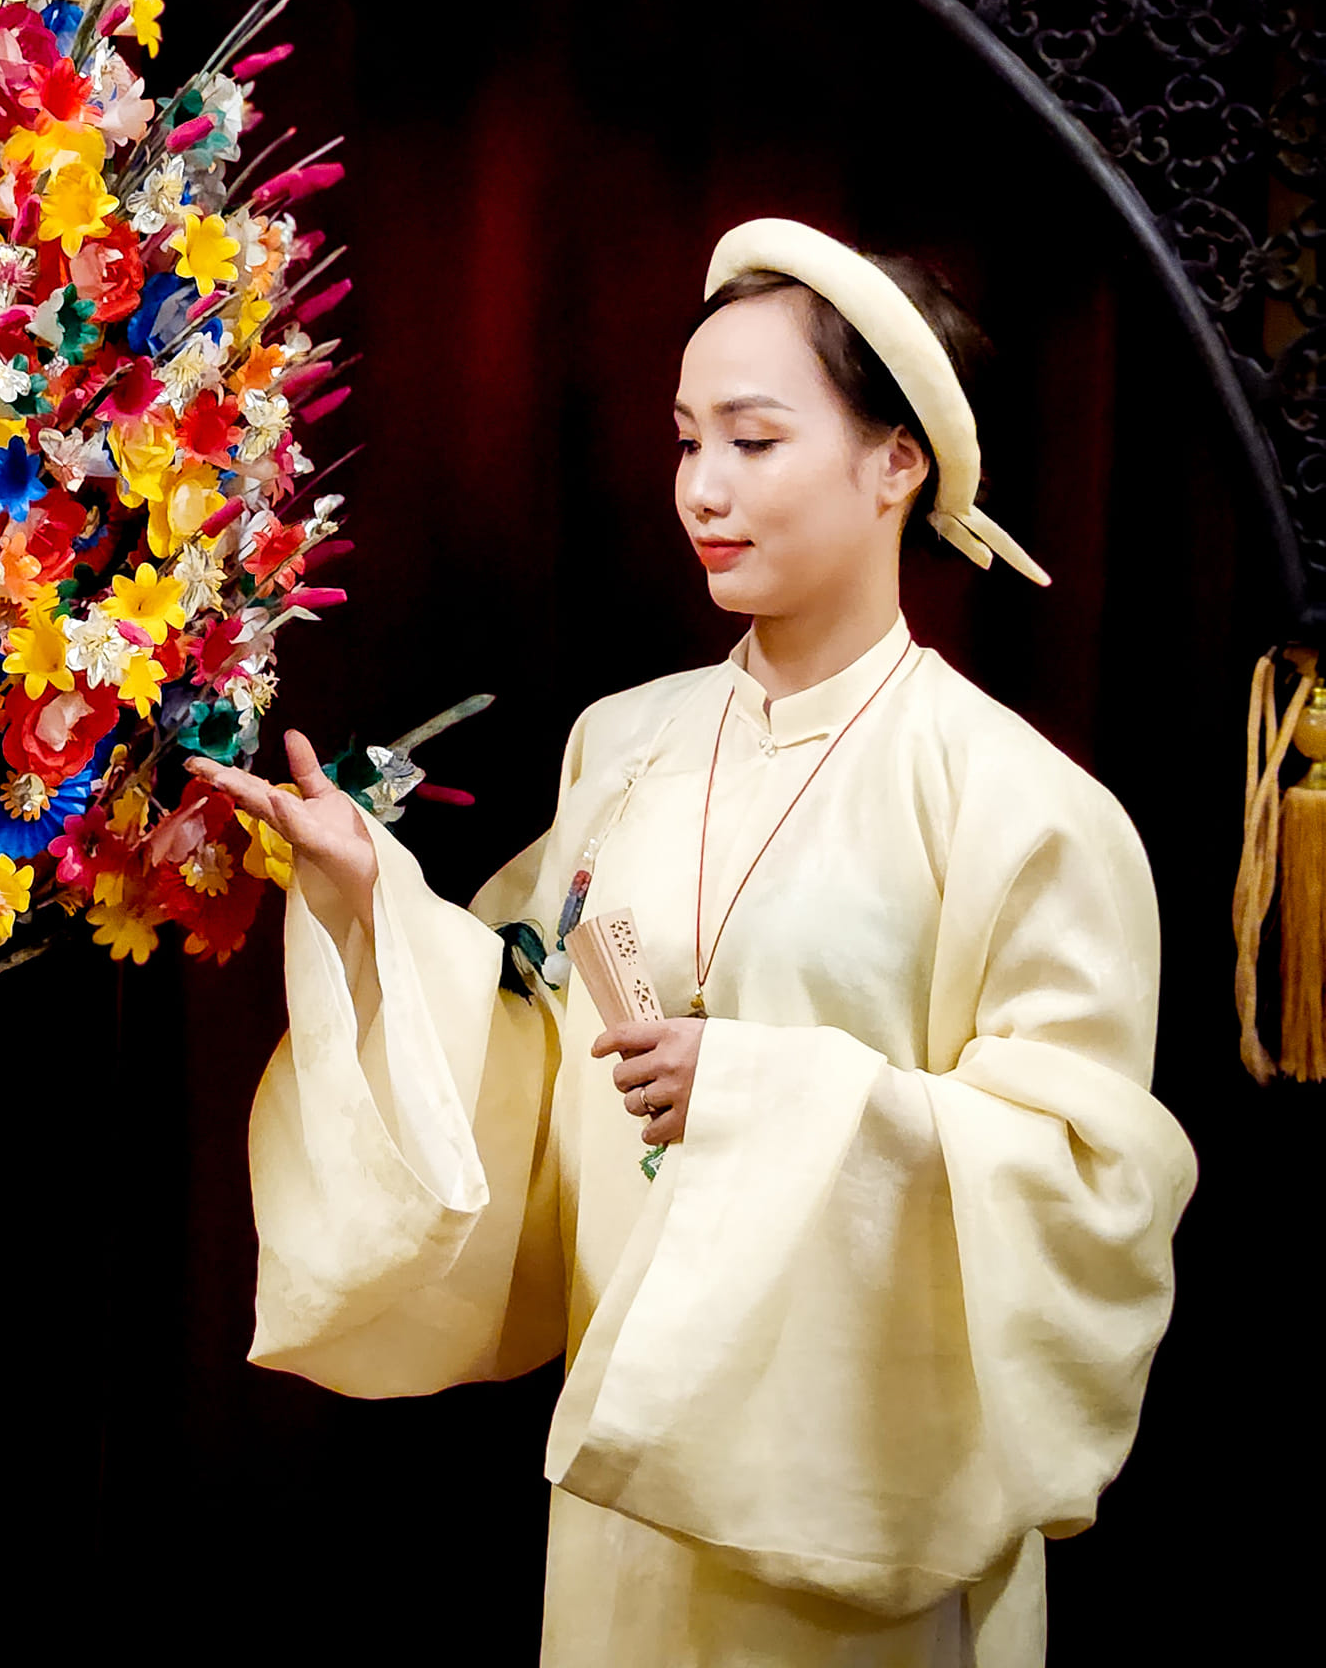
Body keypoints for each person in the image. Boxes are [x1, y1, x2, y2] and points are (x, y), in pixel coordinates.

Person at [187, 218, 1196, 1667]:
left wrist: (764, 1095)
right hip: (630, 1471)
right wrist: (372, 908)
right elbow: (534, 1051)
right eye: (685, 442)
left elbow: (1088, 1182)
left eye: (756, 440)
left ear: (894, 463)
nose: (704, 490)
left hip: (855, 1502)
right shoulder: (628, 746)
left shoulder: (1019, 804)